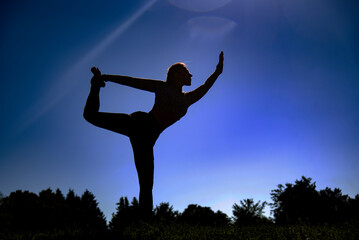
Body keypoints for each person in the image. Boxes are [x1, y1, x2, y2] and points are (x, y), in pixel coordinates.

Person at [83, 51, 224, 218]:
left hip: (148, 138)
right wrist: (106, 77)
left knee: (146, 182)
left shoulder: (188, 99)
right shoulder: (162, 87)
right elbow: (133, 82)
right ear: (176, 74)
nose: (191, 75)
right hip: (139, 123)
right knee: (90, 116)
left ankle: (145, 224)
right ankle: (95, 84)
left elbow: (205, 86)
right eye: (187, 71)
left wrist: (217, 72)